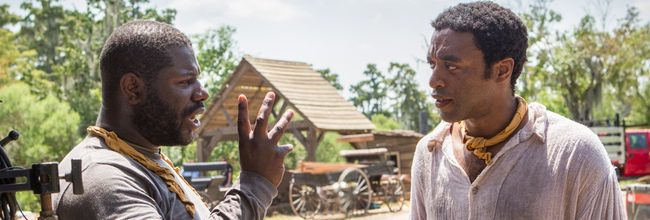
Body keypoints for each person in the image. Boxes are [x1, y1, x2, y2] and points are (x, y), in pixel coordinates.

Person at [54, 20, 294, 220]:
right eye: (184, 82)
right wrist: (254, 185)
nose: (202, 93)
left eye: (197, 80)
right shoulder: (104, 178)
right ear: (133, 88)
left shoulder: (141, 158)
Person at [410, 1, 625, 219]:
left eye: (452, 66)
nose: (434, 81)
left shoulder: (575, 155)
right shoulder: (429, 154)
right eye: (432, 65)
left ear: (502, 71)